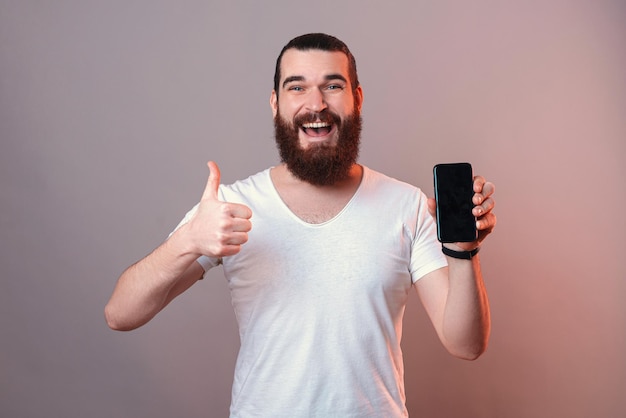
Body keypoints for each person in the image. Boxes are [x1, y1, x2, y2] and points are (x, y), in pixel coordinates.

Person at [105, 33, 496, 417]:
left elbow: (466, 344)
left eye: (333, 85)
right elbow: (121, 314)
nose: (316, 104)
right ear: (275, 103)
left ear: (357, 99)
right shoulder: (232, 206)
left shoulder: (406, 206)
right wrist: (188, 240)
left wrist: (464, 252)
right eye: (297, 87)